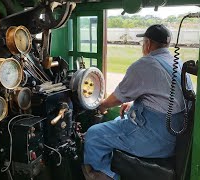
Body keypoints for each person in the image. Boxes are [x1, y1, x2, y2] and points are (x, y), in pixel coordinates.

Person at [82, 24, 192, 180]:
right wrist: (134, 105)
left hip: (156, 139)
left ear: (147, 44)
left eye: (144, 43)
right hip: (174, 136)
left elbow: (118, 97)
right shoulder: (177, 63)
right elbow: (166, 98)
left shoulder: (146, 64)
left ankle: (103, 175)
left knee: (94, 134)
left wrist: (102, 105)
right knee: (117, 120)